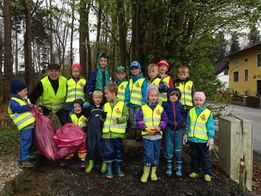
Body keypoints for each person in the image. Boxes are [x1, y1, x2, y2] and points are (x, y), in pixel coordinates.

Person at [136, 86, 168, 183]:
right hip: (147, 135)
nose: (153, 97)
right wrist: (145, 128)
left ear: (158, 96)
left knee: (156, 153)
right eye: (151, 95)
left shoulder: (160, 108)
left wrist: (160, 127)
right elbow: (138, 119)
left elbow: (165, 120)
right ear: (148, 96)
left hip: (157, 135)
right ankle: (146, 172)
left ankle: (153, 172)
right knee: (148, 154)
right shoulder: (143, 108)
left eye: (155, 95)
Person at [183, 92, 215, 182]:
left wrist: (211, 137)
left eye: (200, 100)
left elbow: (210, 126)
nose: (198, 102)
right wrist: (186, 134)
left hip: (203, 140)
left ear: (203, 101)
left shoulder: (207, 113)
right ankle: (195, 171)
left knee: (205, 157)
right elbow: (188, 124)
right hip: (193, 139)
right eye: (196, 100)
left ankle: (207, 173)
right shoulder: (191, 111)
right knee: (194, 156)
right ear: (193, 101)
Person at [102, 83, 129, 179]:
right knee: (108, 151)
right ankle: (109, 168)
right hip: (106, 134)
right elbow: (102, 118)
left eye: (106, 93)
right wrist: (101, 118)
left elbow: (126, 116)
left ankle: (118, 168)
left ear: (113, 93)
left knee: (118, 151)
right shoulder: (105, 105)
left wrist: (118, 120)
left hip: (117, 134)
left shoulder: (122, 104)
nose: (105, 95)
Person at [8, 80, 36, 168]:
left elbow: (30, 107)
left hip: (29, 125)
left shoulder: (24, 99)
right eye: (25, 90)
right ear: (18, 91)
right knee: (26, 142)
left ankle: (25, 156)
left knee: (29, 141)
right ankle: (24, 160)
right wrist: (29, 106)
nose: (27, 92)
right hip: (24, 126)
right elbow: (18, 109)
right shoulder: (13, 101)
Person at [162, 88, 185, 177]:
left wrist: (182, 122)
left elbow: (183, 114)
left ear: (178, 97)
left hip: (178, 130)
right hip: (169, 129)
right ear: (168, 96)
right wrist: (166, 123)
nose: (174, 97)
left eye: (176, 95)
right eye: (172, 95)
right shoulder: (165, 105)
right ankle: (169, 166)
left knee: (178, 148)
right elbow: (163, 116)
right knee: (169, 147)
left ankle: (179, 166)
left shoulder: (180, 105)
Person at [60, 99, 87, 168]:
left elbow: (88, 125)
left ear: (82, 107)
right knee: (70, 145)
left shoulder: (85, 116)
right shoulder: (72, 116)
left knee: (82, 146)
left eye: (78, 106)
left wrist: (84, 128)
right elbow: (69, 125)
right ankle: (67, 159)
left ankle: (83, 160)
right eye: (75, 107)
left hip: (82, 135)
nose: (77, 108)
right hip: (74, 136)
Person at [84, 90, 107, 174]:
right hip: (91, 129)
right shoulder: (90, 106)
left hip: (101, 129)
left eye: (99, 97)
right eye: (96, 97)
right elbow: (85, 115)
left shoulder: (104, 106)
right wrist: (85, 108)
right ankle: (91, 162)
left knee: (102, 145)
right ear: (93, 98)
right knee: (91, 145)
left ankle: (104, 162)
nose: (97, 99)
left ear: (102, 98)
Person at [126, 61, 148, 139]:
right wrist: (127, 100)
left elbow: (145, 91)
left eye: (136, 68)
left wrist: (144, 101)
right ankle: (133, 133)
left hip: (139, 104)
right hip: (131, 104)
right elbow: (128, 91)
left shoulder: (143, 80)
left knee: (138, 118)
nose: (134, 70)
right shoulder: (131, 81)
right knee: (131, 119)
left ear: (139, 70)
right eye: (132, 69)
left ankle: (139, 133)